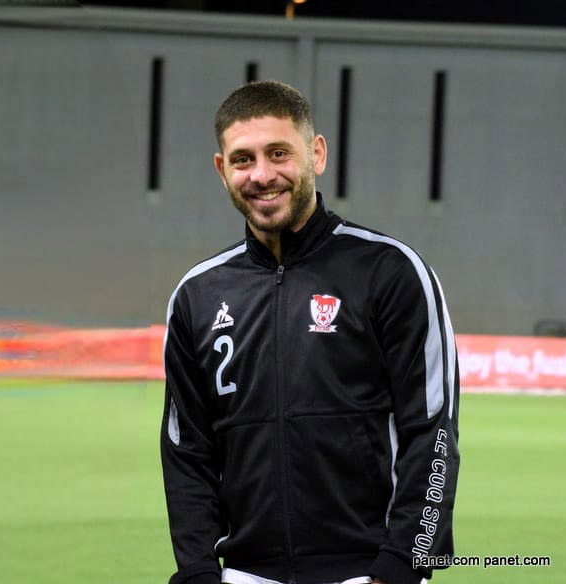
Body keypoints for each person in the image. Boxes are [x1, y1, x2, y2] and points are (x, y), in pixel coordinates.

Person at [160, 81, 460, 584]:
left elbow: (433, 432)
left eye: (279, 153)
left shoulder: (391, 272)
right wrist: (196, 571)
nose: (262, 175)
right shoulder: (197, 295)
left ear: (316, 154)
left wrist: (405, 563)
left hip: (367, 571)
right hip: (244, 573)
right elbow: (186, 453)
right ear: (221, 169)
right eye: (242, 159)